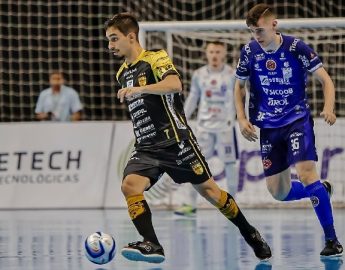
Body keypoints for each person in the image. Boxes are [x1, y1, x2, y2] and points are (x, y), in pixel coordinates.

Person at [105, 12, 271, 264]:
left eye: (114, 39)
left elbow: (174, 85)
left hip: (176, 142)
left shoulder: (155, 58)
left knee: (212, 193)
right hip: (147, 147)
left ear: (131, 36)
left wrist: (140, 89)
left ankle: (249, 232)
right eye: (108, 40)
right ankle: (153, 244)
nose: (110, 46)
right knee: (129, 185)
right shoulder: (121, 73)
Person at [234, 3, 343, 257]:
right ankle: (319, 190)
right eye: (252, 31)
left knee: (306, 173)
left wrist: (328, 107)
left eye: (259, 30)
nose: (256, 36)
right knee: (278, 193)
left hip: (296, 121)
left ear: (274, 24)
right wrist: (241, 118)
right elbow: (239, 87)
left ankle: (332, 240)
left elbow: (325, 80)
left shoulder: (296, 48)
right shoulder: (249, 52)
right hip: (268, 127)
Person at [174, 40, 239, 218]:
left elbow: (240, 99)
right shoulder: (199, 75)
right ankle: (190, 204)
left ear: (224, 54)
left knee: (230, 165)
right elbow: (193, 98)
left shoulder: (233, 75)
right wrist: (181, 120)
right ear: (207, 54)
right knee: (195, 165)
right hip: (204, 128)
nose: (215, 55)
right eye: (211, 52)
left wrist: (241, 119)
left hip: (225, 127)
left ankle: (234, 204)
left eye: (218, 52)